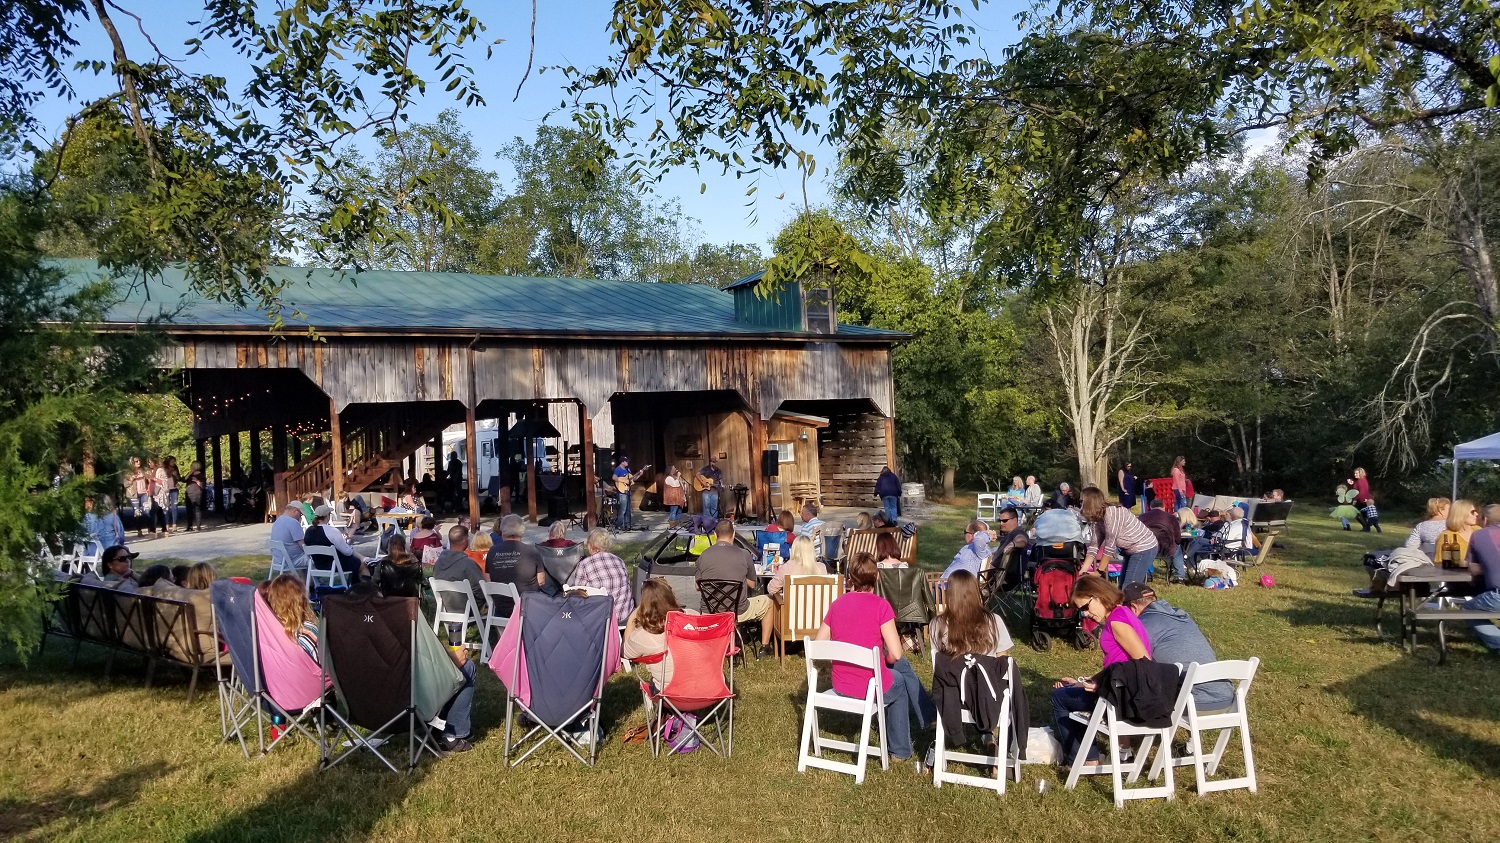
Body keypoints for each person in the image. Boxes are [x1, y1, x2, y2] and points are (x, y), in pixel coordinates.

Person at [816, 552, 935, 763]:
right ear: (877, 576)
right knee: (898, 681)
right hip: (868, 686)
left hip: (841, 682)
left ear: (851, 577)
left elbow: (818, 646)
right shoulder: (881, 606)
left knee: (902, 667)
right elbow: (896, 653)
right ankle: (901, 749)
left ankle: (929, 717)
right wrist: (886, 659)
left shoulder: (837, 605)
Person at [1050, 576, 1153, 766]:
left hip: (1122, 696)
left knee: (1059, 697)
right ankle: (1104, 754)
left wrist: (1102, 684)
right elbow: (1120, 663)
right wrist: (1088, 681)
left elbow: (1143, 662)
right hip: (1119, 688)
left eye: (1085, 607)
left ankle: (1085, 759)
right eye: (1081, 611)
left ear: (1097, 596)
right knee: (1069, 689)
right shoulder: (1121, 613)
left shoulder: (1117, 622)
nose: (1085, 614)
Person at [1123, 583, 1233, 711]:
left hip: (1196, 702)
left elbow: (1137, 667)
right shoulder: (1181, 616)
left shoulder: (1144, 624)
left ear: (1133, 607)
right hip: (1227, 698)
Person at [695, 519, 777, 655]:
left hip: (709, 612)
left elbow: (697, 586)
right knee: (770, 602)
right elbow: (752, 584)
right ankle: (764, 647)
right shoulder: (744, 554)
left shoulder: (703, 555)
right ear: (733, 535)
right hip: (737, 611)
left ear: (715, 535)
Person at [622, 579, 697, 690]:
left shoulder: (643, 637)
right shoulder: (694, 616)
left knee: (653, 685)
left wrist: (632, 617)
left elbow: (624, 652)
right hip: (711, 688)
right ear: (671, 596)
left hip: (671, 695)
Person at [1080, 485, 1158, 586]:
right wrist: (1083, 571)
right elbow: (1093, 547)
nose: (1081, 505)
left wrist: (1099, 572)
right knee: (1122, 588)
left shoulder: (1112, 513)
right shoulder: (1098, 518)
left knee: (1129, 587)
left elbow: (1109, 547)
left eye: (1082, 502)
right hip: (1130, 550)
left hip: (1144, 547)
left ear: (1090, 502)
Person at [929, 569, 1013, 658]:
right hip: (988, 671)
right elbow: (1002, 657)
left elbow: (938, 661)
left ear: (950, 593)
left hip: (953, 672)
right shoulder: (994, 620)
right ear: (975, 592)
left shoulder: (937, 623)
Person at [571, 529, 635, 617]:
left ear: (590, 546)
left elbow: (578, 595)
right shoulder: (619, 561)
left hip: (601, 619)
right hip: (624, 615)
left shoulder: (584, 565)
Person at [486, 513, 544, 610]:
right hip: (526, 608)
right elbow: (541, 581)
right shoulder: (531, 551)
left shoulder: (492, 551)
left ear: (502, 531)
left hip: (501, 607)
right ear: (522, 531)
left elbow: (488, 580)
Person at [1463, 504, 1500, 654]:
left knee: (1467, 609)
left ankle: (1497, 643)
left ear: (1485, 520)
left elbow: (1473, 568)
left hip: (1498, 596)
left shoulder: (1479, 535)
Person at [259, 574, 320, 662]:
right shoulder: (307, 632)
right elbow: (323, 666)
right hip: (309, 675)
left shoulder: (269, 632)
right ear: (302, 600)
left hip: (278, 675)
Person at [433, 524, 487, 614]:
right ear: (465, 541)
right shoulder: (467, 564)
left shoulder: (438, 562)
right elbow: (481, 589)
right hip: (467, 608)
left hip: (447, 607)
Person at [304, 505, 368, 580]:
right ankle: (365, 588)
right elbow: (347, 552)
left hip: (318, 565)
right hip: (335, 565)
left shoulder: (308, 531)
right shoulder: (331, 531)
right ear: (327, 516)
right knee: (362, 564)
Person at [1139, 499, 1186, 583]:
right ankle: (1180, 577)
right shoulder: (1171, 517)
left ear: (1150, 507)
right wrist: (1177, 542)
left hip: (1148, 547)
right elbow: (1177, 536)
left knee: (1145, 552)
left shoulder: (1142, 517)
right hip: (1167, 548)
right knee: (1177, 550)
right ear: (1163, 507)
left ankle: (1148, 575)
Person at [1436, 499, 1481, 565]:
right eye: (1472, 512)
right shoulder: (1447, 536)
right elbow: (1440, 563)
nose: (1476, 514)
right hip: (1456, 574)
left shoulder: (1478, 531)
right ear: (1461, 514)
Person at [269, 502, 308, 569]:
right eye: (300, 514)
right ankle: (314, 579)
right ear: (295, 510)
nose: (300, 517)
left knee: (305, 556)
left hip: (279, 560)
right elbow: (302, 545)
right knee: (314, 558)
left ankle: (306, 579)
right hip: (291, 560)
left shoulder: (278, 520)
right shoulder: (293, 522)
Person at [126, 456, 152, 537]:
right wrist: (131, 479)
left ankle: (150, 529)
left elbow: (150, 480)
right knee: (137, 513)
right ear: (132, 463)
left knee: (147, 511)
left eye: (139, 461)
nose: (138, 462)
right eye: (136, 461)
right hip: (134, 494)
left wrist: (149, 479)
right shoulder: (129, 473)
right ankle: (139, 530)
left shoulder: (144, 471)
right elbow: (125, 484)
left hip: (144, 493)